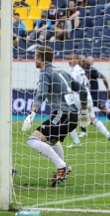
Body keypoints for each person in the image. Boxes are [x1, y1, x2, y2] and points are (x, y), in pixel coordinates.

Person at [21, 46, 89, 187]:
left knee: (33, 140)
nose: (34, 60)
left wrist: (30, 116)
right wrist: (83, 112)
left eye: (35, 56)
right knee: (51, 141)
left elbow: (41, 95)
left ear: (40, 58)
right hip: (73, 116)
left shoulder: (45, 73)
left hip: (62, 114)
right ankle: (63, 170)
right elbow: (82, 90)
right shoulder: (61, 71)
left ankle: (62, 166)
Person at [66, 55, 110, 149]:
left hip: (78, 98)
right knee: (93, 119)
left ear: (76, 60)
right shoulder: (81, 71)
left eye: (71, 59)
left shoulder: (74, 71)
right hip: (88, 96)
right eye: (68, 60)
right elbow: (87, 84)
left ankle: (77, 142)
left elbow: (71, 86)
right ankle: (108, 135)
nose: (69, 61)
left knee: (69, 119)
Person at [82, 56, 110, 137]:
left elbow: (104, 77)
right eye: (89, 60)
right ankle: (84, 132)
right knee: (82, 113)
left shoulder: (92, 70)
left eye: (92, 60)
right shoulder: (81, 71)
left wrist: (108, 89)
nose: (90, 61)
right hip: (87, 97)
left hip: (94, 97)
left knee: (105, 112)